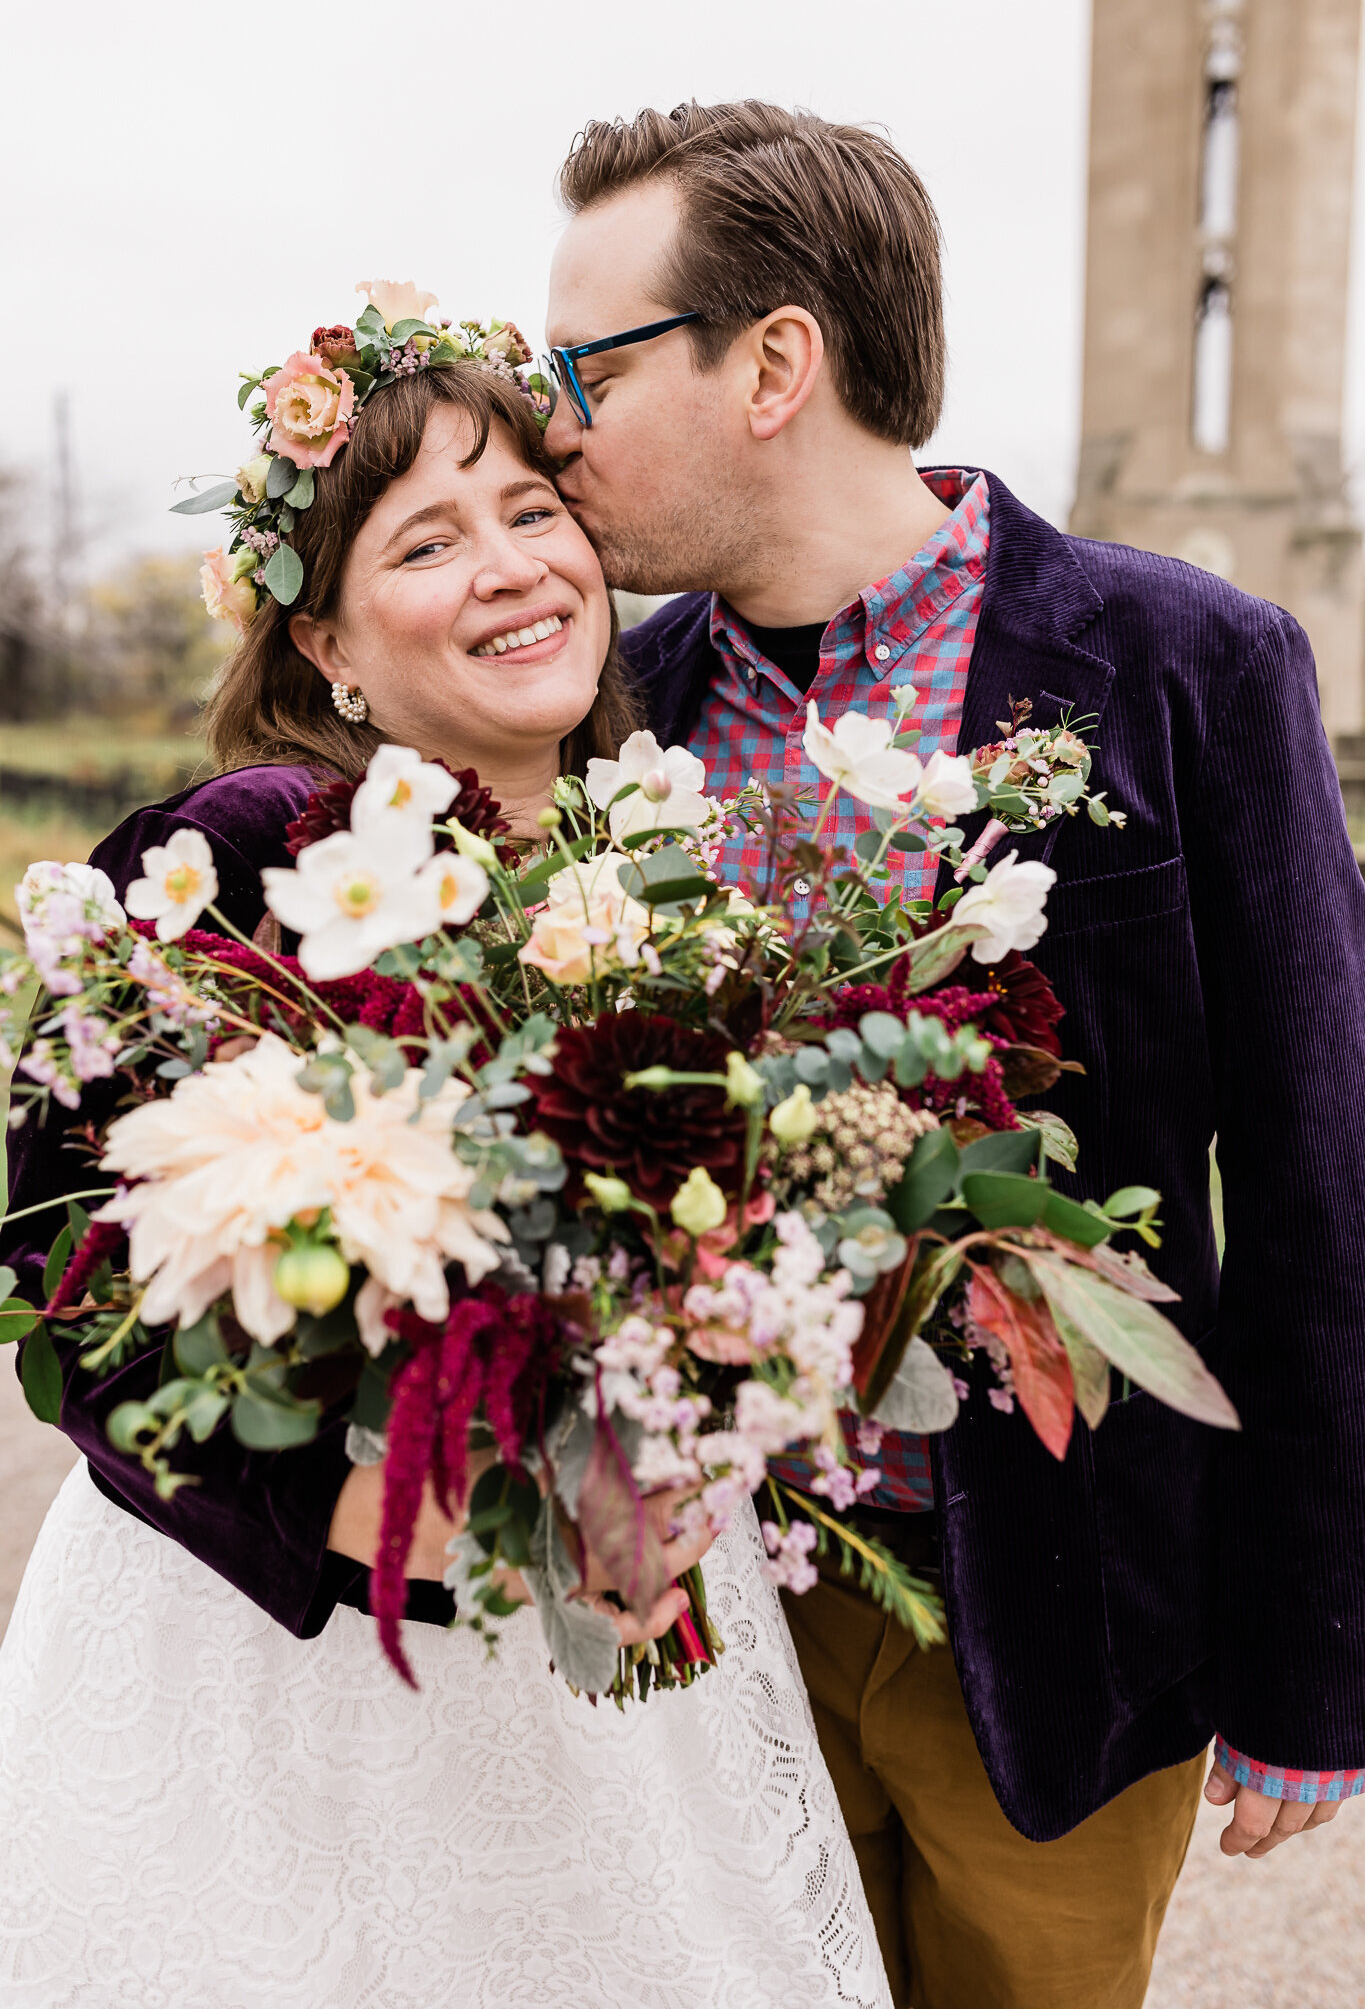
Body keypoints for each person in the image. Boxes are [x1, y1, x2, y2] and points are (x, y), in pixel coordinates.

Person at [541, 99, 1365, 2009]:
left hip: (1068, 1621)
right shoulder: (610, 709)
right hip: (705, 1623)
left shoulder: (1186, 664)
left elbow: (1325, 1178)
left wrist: (1316, 1659)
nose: (550, 420)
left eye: (585, 364)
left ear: (773, 363)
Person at [0, 354, 892, 2008]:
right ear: (325, 646)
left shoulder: (675, 878)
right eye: (422, 541)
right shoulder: (233, 855)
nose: (508, 565)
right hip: (294, 1663)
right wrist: (409, 1527)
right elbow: (77, 1298)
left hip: (623, 1640)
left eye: (533, 511)